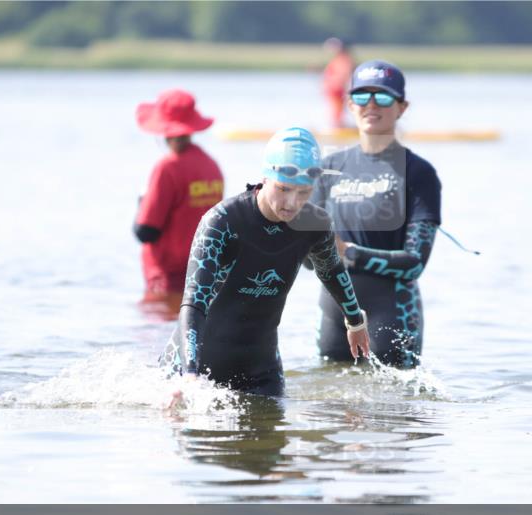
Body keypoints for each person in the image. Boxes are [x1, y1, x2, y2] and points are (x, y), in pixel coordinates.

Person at [162, 127, 370, 398]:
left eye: (304, 192)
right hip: (195, 370)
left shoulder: (314, 223)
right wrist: (189, 374)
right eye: (283, 189)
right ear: (265, 177)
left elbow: (331, 270)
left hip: (261, 372)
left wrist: (355, 321)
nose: (292, 203)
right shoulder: (223, 222)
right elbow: (194, 302)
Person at [311, 60, 442, 369]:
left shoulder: (418, 173)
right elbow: (304, 256)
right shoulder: (328, 169)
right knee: (327, 404)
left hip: (393, 311)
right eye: (361, 97)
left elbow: (414, 263)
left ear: (402, 107)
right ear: (349, 104)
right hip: (334, 312)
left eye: (382, 97)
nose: (371, 105)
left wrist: (350, 254)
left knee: (392, 409)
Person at [133, 89, 223, 309]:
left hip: (167, 277)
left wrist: (141, 203)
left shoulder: (168, 168)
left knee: (158, 333)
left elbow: (146, 230)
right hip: (202, 271)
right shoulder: (210, 165)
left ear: (164, 132)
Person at [321, 37, 354, 129]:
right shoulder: (339, 59)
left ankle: (338, 128)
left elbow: (343, 74)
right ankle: (337, 126)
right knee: (335, 113)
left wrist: (333, 82)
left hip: (337, 90)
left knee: (337, 113)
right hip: (334, 89)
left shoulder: (344, 60)